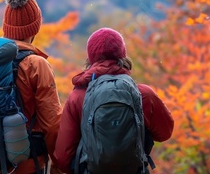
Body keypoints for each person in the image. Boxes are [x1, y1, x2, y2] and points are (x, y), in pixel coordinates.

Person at [54, 27, 174, 173]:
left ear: (91, 58)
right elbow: (165, 133)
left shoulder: (77, 98)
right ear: (122, 56)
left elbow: (62, 158)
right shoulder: (143, 94)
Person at [2, 0, 63, 174]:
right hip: (27, 164)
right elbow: (53, 125)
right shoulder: (36, 65)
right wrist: (59, 164)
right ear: (34, 29)